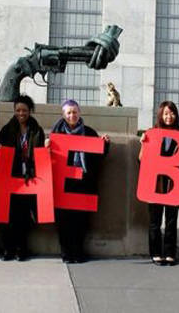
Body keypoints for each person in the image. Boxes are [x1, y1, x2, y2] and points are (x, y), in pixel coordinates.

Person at [47, 99, 109, 263]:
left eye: (74, 112)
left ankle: (78, 252)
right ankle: (66, 253)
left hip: (83, 181)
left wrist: (105, 145)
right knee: (63, 220)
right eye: (68, 113)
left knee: (81, 220)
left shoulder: (89, 132)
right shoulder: (56, 133)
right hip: (63, 182)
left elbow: (98, 157)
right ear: (63, 115)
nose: (72, 115)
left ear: (79, 113)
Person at [139, 101, 179, 266]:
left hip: (174, 182)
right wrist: (143, 144)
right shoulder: (152, 133)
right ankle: (155, 252)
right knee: (155, 220)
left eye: (172, 113)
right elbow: (141, 159)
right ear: (160, 115)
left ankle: (170, 253)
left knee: (172, 220)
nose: (169, 117)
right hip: (156, 181)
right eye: (166, 113)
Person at [0, 95, 45, 261]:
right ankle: (8, 249)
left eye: (24, 110)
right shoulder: (7, 129)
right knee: (9, 214)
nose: (21, 113)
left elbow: (39, 151)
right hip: (11, 176)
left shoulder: (36, 129)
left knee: (25, 216)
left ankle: (21, 249)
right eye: (18, 110)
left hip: (29, 178)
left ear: (30, 111)